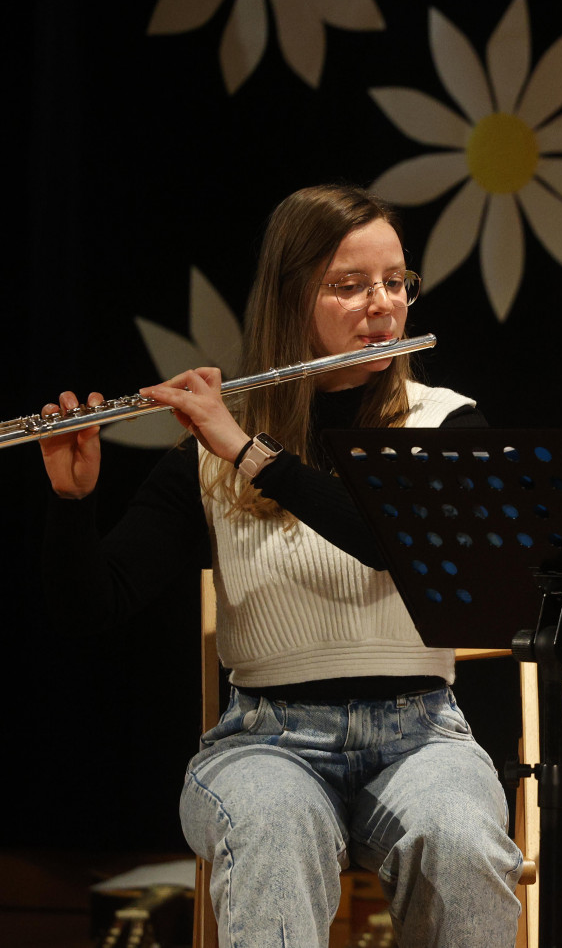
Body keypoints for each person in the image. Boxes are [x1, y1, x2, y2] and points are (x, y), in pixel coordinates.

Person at [39, 184, 523, 946]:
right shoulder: (209, 451)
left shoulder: (446, 423)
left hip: (423, 734)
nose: (383, 305)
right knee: (272, 830)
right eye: (350, 285)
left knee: (461, 841)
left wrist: (246, 449)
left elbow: (387, 542)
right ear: (291, 297)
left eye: (396, 282)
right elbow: (92, 605)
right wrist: (71, 503)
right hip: (264, 740)